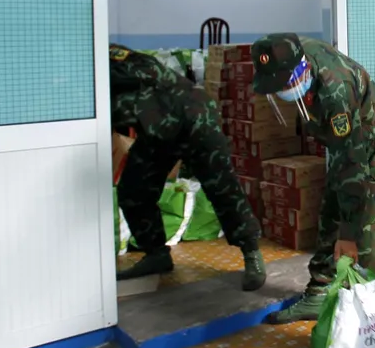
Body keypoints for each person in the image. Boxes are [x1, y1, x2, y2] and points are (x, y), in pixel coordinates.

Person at [250, 33, 375, 324]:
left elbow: (353, 164)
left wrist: (349, 234)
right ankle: (318, 293)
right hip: (344, 146)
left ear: (300, 69)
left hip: (368, 146)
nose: (281, 92)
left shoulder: (335, 91)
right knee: (330, 213)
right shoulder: (292, 51)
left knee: (363, 235)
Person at [109, 44, 266, 290]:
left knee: (222, 188)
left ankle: (252, 254)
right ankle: (156, 255)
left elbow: (149, 71)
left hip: (192, 117)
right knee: (133, 190)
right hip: (155, 130)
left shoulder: (107, 58)